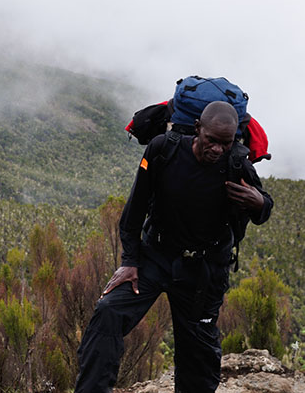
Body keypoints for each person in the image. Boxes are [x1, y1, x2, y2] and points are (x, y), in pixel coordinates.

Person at [75, 101, 273, 393]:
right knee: (108, 313)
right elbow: (134, 211)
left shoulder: (237, 163)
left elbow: (263, 208)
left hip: (203, 271)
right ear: (197, 129)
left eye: (226, 143)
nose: (217, 149)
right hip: (155, 256)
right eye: (211, 140)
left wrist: (259, 203)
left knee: (197, 358)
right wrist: (129, 262)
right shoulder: (163, 150)